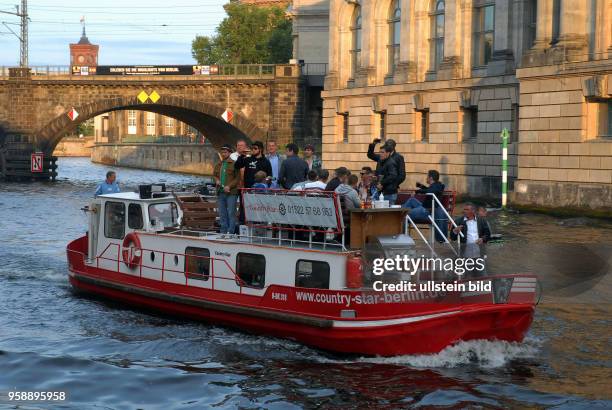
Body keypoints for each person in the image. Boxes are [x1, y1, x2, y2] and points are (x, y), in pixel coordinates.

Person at [402, 170, 447, 241]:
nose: (426, 178)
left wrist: (417, 191)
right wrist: (421, 186)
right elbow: (429, 189)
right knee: (411, 200)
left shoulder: (437, 186)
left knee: (404, 215)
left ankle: (401, 234)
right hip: (424, 206)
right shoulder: (435, 186)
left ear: (431, 178)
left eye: (427, 177)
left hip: (426, 210)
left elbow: (430, 191)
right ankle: (400, 211)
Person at [213, 145, 239, 234]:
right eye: (222, 152)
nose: (223, 154)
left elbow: (237, 178)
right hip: (220, 192)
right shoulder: (218, 164)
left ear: (230, 153)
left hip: (231, 193)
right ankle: (223, 231)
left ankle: (231, 232)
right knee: (222, 213)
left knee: (231, 212)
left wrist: (229, 186)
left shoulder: (234, 164)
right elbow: (214, 175)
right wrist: (216, 180)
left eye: (225, 152)